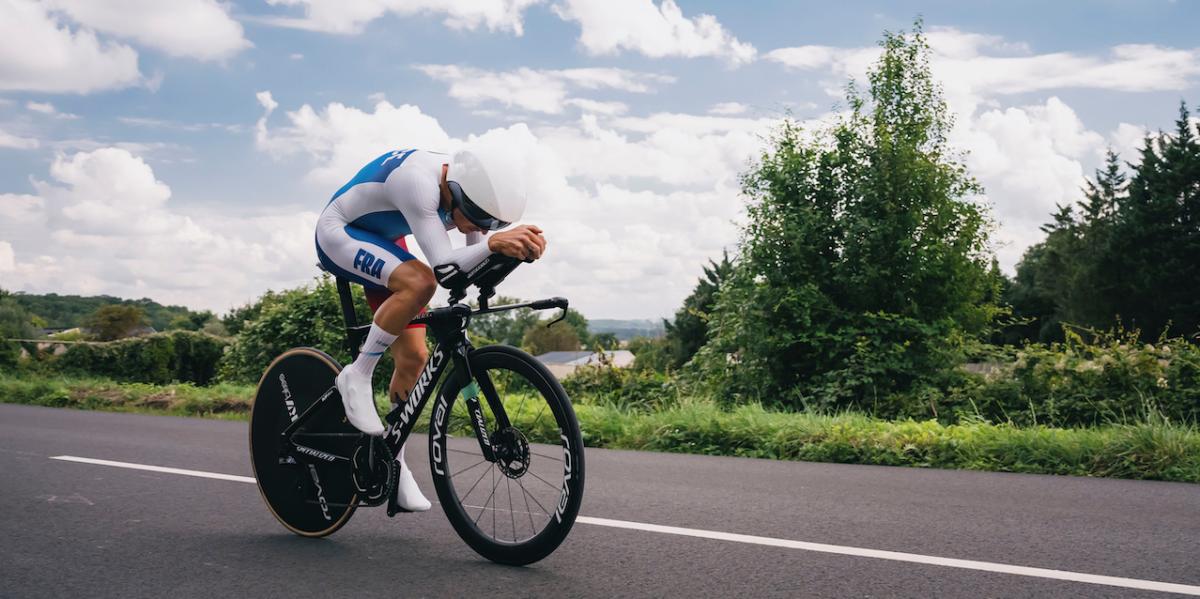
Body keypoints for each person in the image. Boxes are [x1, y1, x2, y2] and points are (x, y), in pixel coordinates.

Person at [314, 147, 546, 511]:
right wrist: (496, 243)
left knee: (414, 357)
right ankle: (356, 374)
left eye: (493, 223)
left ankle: (395, 463)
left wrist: (511, 254)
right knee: (420, 281)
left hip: (386, 239)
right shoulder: (418, 183)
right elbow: (444, 268)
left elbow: (471, 267)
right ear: (454, 191)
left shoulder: (466, 195)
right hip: (340, 231)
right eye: (476, 218)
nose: (481, 229)